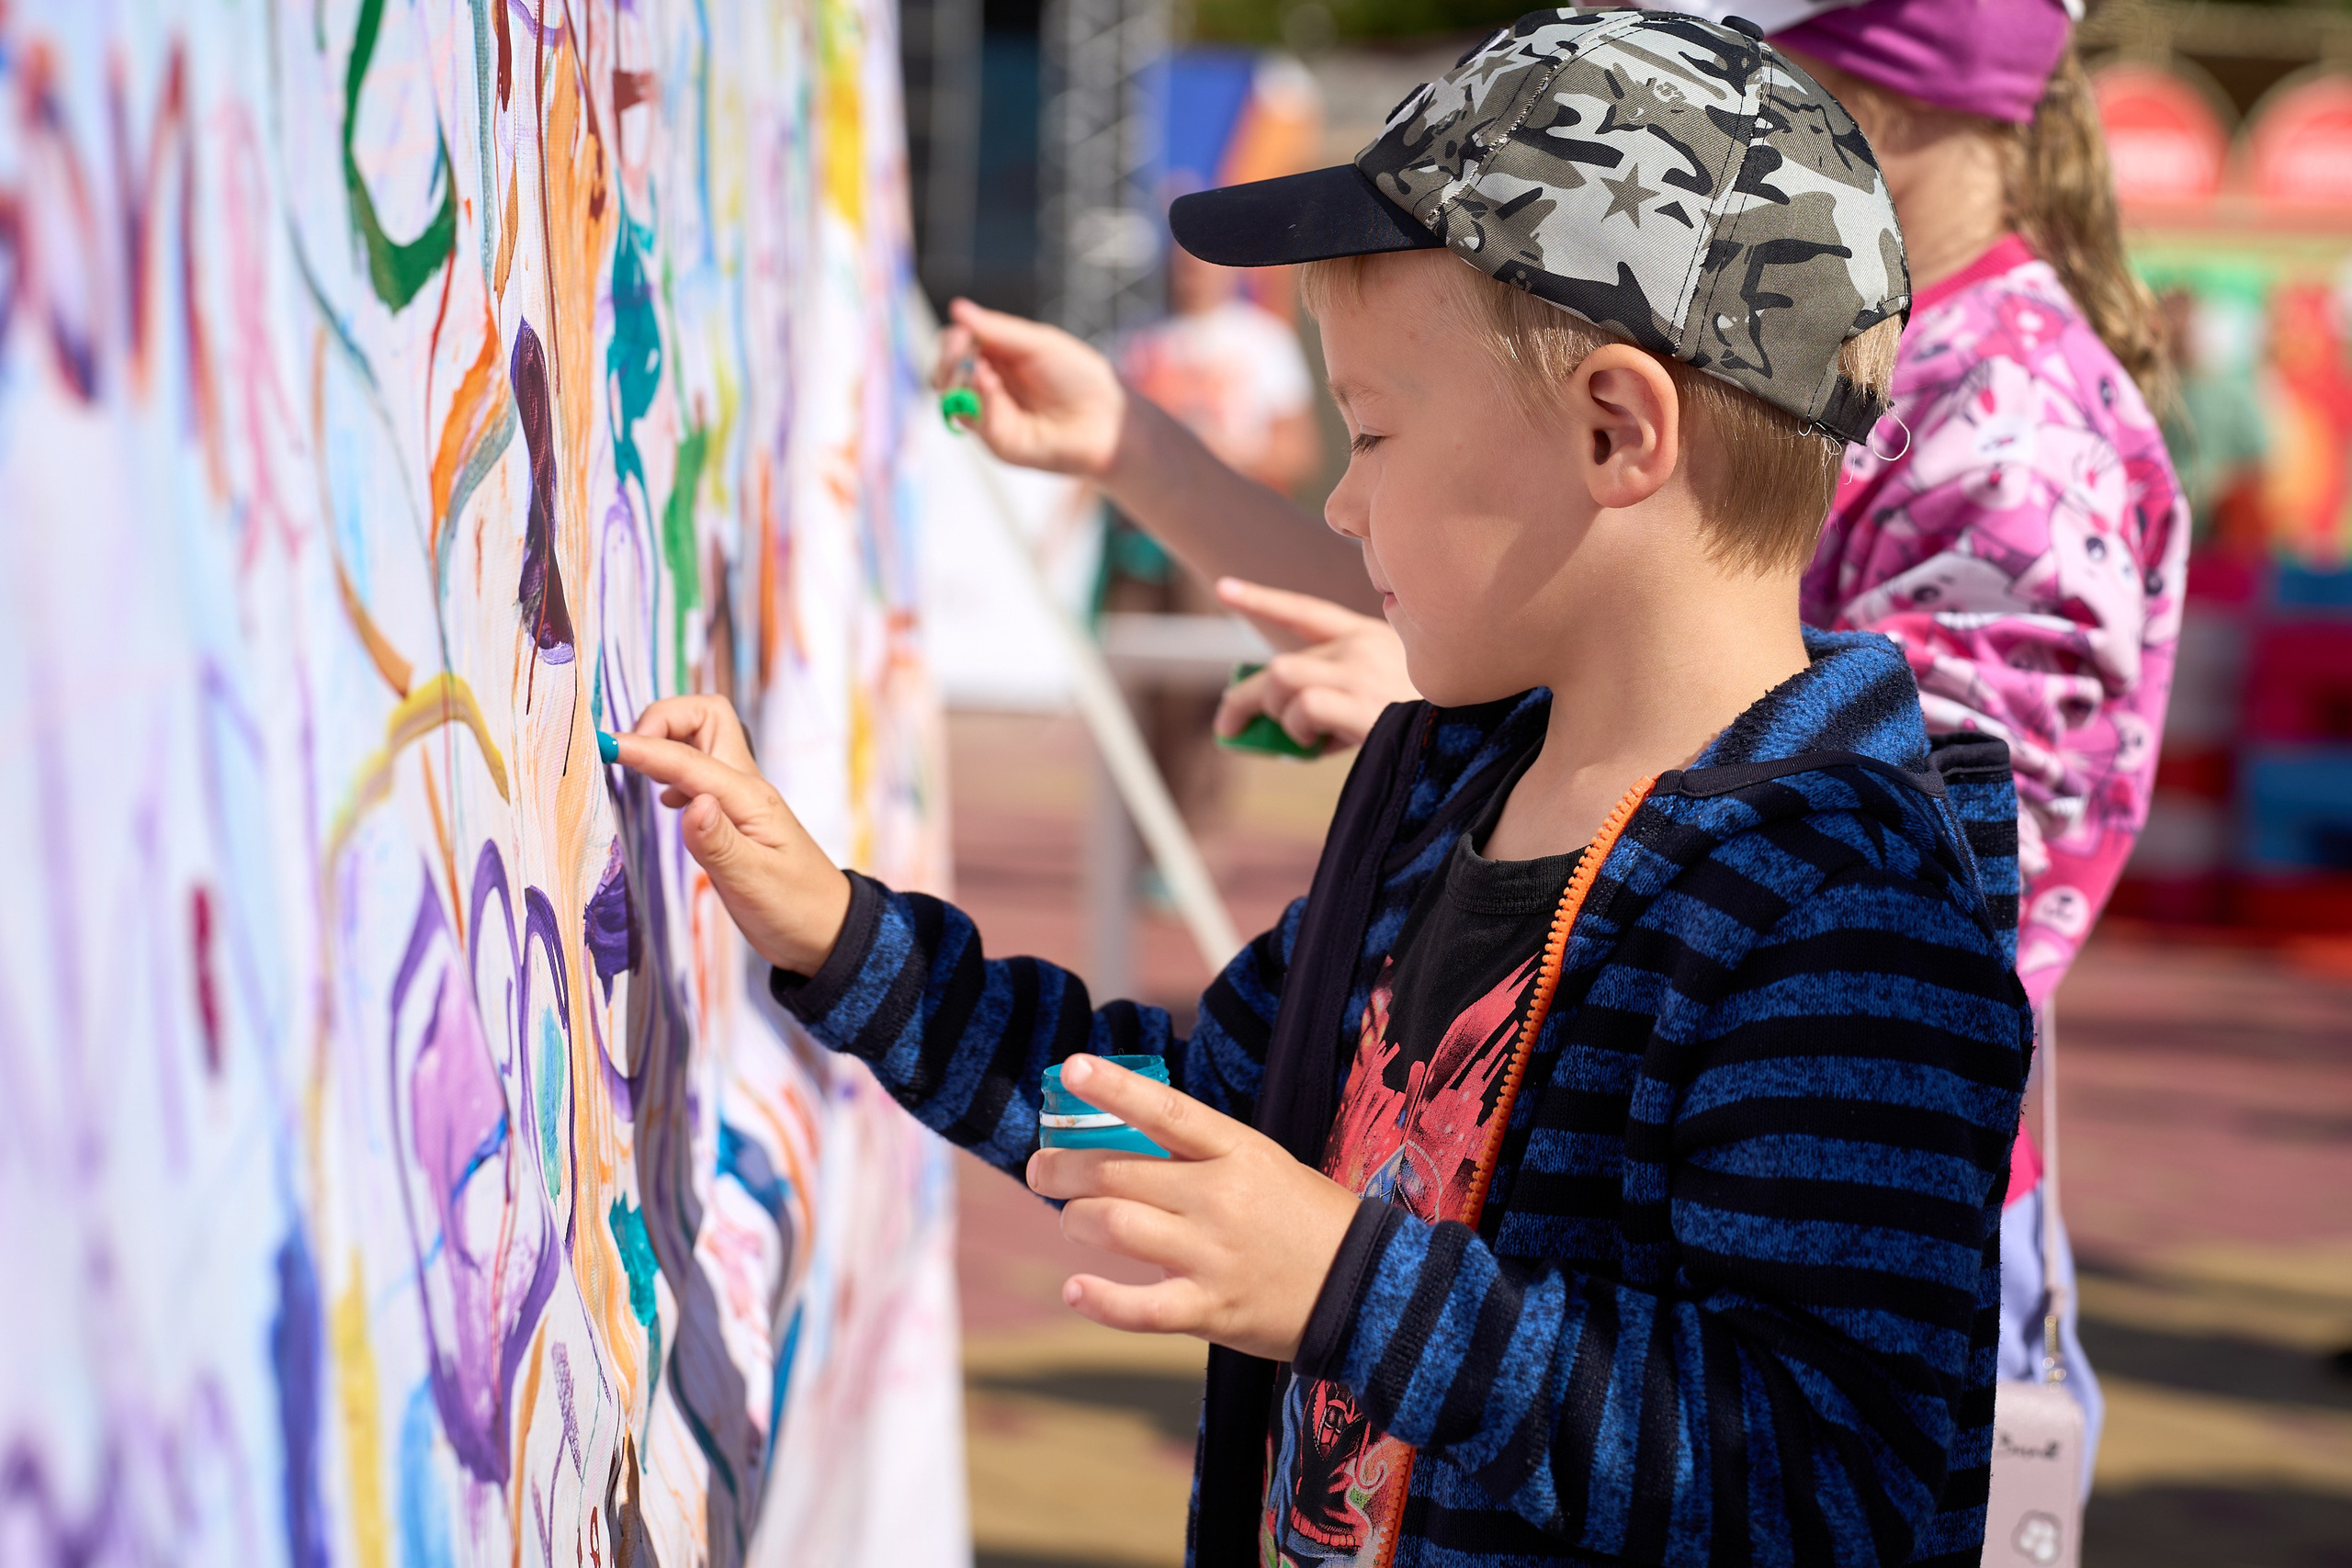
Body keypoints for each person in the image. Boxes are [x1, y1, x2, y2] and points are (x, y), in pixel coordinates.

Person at [612, 16, 2032, 1565]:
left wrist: (1352, 1289)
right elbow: (1195, 1110)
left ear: (1618, 429)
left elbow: (1830, 1479)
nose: (1342, 503)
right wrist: (843, 938)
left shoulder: (1843, 911)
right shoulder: (1445, 796)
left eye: (1373, 432)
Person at [947, 0, 2185, 1479]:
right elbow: (1485, 551)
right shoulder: (1502, 751)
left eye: (1760, 73)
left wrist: (1356, 1285)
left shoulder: (2014, 434)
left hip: (1824, 1191)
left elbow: (1958, 861)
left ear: (1884, 110)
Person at [1102, 245, 1323, 825]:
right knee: (1132, 692)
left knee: (1203, 693)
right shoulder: (1140, 341)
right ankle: (1141, 839)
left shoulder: (1261, 342)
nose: (1190, 273)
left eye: (1200, 260)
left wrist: (1228, 452)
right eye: (1179, 261)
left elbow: (1299, 451)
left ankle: (1195, 838)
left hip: (1215, 540)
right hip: (1140, 545)